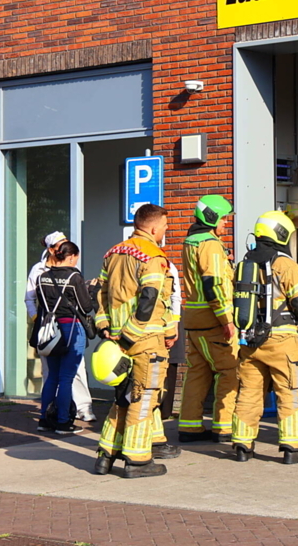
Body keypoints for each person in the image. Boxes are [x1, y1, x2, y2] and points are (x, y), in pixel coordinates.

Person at [92, 204, 180, 478]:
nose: (165, 232)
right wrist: (132, 334)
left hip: (117, 337)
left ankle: (105, 456)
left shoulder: (114, 252)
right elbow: (149, 298)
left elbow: (101, 292)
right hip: (144, 339)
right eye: (165, 227)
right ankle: (137, 460)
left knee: (123, 399)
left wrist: (105, 326)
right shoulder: (153, 256)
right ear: (153, 227)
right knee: (143, 399)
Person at [231, 210, 298, 465]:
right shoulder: (284, 264)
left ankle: (243, 446)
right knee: (289, 391)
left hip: (250, 341)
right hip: (282, 340)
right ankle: (294, 447)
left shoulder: (244, 264)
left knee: (248, 393)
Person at [177, 195, 238, 443]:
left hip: (193, 319)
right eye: (224, 219)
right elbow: (213, 283)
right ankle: (223, 428)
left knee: (197, 373)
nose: (226, 224)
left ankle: (189, 427)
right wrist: (226, 320)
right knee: (229, 372)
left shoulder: (190, 241)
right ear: (212, 218)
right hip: (213, 320)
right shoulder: (210, 244)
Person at [26, 231, 96, 422]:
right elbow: (85, 306)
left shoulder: (43, 276)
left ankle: (46, 418)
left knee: (54, 376)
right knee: (66, 376)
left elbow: (39, 299)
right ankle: (63, 419)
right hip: (68, 328)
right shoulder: (70, 275)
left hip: (49, 326)